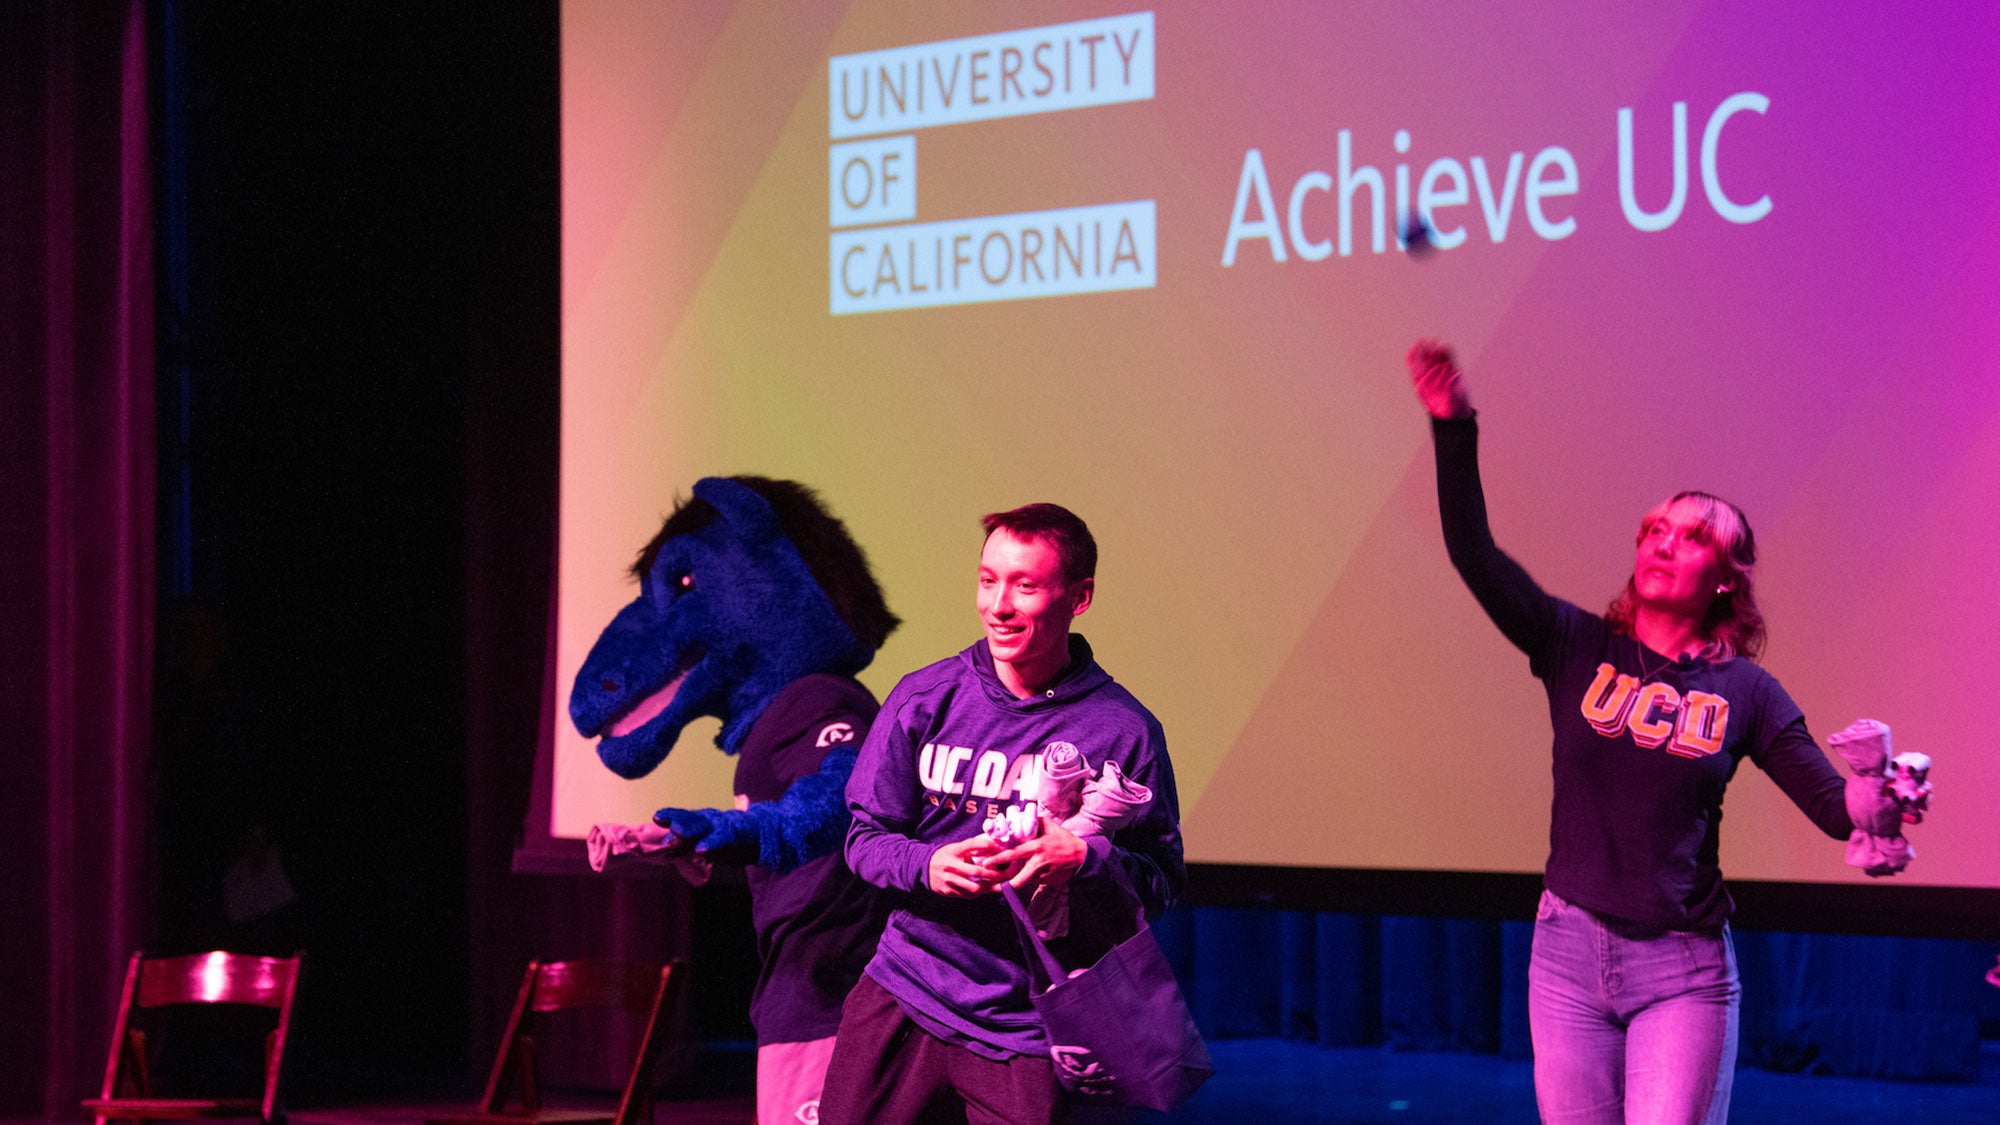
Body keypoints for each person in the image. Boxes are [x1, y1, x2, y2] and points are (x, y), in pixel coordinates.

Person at [1405, 340, 1898, 1124]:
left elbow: (1842, 811)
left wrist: (1881, 799)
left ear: (1727, 577)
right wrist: (1454, 425)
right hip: (1565, 955)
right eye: (1655, 529)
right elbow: (1474, 552)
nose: (1664, 541)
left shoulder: (1747, 691)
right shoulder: (1574, 644)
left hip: (1683, 969)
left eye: (1693, 535)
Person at [819, 503, 1186, 1125]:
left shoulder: (1124, 731)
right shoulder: (924, 698)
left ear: (1080, 596)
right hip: (907, 990)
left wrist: (1086, 860)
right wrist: (926, 863)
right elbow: (863, 836)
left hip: (1028, 1026)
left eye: (1026, 584)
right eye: (988, 579)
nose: (998, 605)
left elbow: (1163, 883)